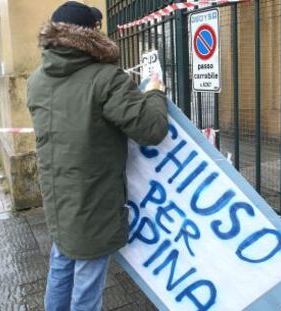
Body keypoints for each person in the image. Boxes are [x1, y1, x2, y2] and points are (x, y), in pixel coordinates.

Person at [27, 2, 168, 311]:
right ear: (91, 34)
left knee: (62, 260)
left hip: (58, 197)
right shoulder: (106, 78)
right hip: (94, 199)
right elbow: (152, 128)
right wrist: (155, 93)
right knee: (87, 282)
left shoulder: (37, 79)